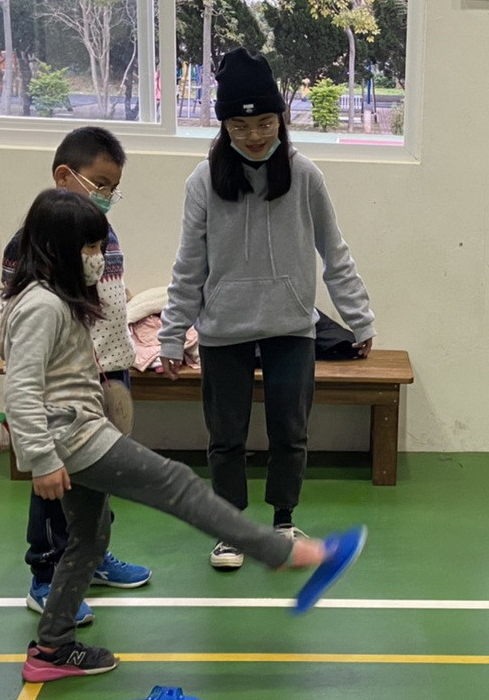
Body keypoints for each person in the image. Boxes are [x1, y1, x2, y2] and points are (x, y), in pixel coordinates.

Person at [0, 189, 330, 683]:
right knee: (177, 483)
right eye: (89, 250)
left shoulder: (55, 300)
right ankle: (278, 553)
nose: (96, 260)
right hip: (74, 438)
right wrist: (41, 459)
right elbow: (20, 387)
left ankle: (52, 649)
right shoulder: (42, 306)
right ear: (58, 249)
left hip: (76, 430)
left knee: (89, 538)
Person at [159, 47, 376, 570]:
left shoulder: (306, 177)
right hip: (223, 328)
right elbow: (189, 264)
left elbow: (334, 252)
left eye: (264, 122)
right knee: (225, 436)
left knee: (290, 431)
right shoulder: (203, 181)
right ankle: (230, 528)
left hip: (292, 325)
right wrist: (171, 334)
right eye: (240, 124)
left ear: (281, 117)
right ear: (223, 125)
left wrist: (360, 317)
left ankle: (282, 520)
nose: (254, 135)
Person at [1, 127, 150, 626]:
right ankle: (46, 575)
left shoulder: (104, 236)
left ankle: (91, 557)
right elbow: (23, 324)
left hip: (106, 376)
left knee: (96, 477)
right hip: (60, 393)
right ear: (65, 176)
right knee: (54, 487)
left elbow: (109, 305)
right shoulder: (30, 244)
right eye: (100, 184)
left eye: (113, 188)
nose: (107, 196)